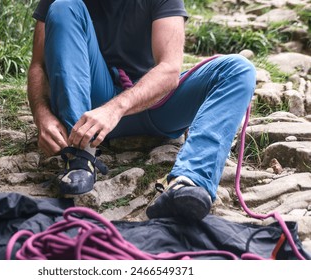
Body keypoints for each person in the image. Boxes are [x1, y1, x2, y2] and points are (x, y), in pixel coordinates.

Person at [27, 0, 256, 222]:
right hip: (90, 107)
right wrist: (42, 116)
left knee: (238, 69)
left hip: (153, 102)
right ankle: (79, 155)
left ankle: (190, 180)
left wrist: (114, 109)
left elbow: (169, 69)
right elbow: (38, 64)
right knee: (63, 6)